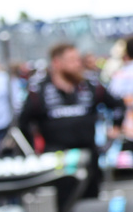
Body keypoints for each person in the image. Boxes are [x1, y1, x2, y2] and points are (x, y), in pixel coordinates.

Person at [17, 42, 122, 203]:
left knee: (92, 200)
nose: (78, 64)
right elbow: (22, 122)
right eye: (72, 60)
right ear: (57, 63)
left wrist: (115, 127)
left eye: (77, 59)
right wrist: (34, 151)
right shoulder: (38, 89)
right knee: (65, 201)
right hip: (57, 157)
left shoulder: (90, 84)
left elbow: (118, 105)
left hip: (88, 153)